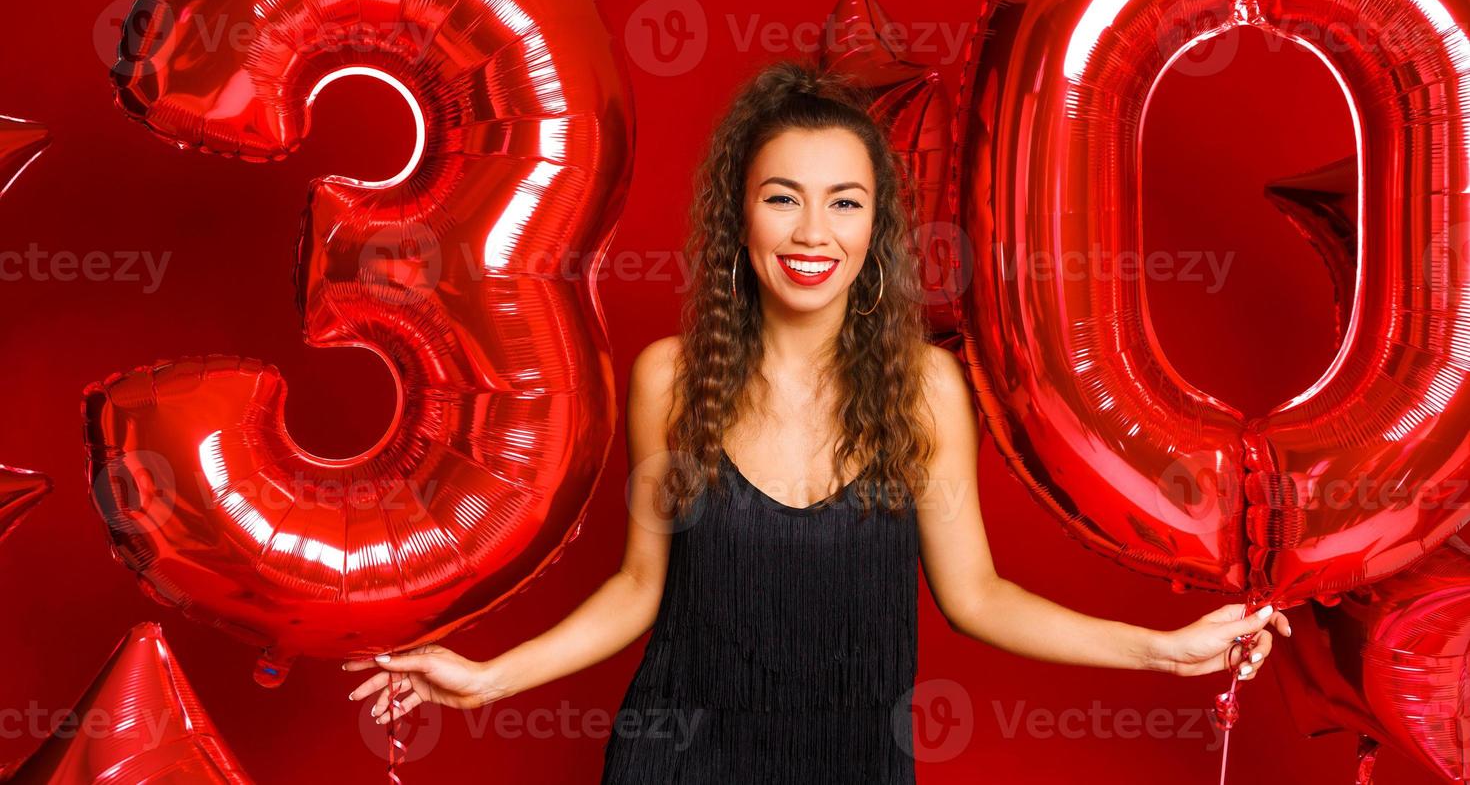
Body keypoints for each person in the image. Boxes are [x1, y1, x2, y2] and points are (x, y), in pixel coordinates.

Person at [345, 59, 1291, 782]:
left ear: (875, 228)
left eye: (844, 202)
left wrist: (1164, 654)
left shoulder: (925, 388)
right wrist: (487, 678)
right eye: (781, 199)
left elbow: (978, 599)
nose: (811, 233)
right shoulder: (669, 381)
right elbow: (640, 590)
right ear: (740, 222)